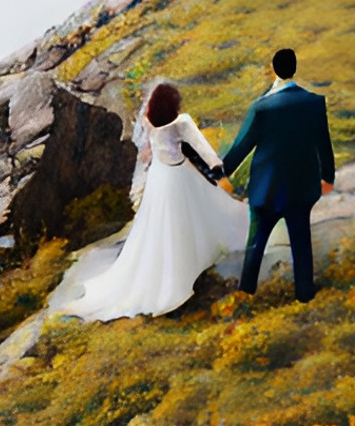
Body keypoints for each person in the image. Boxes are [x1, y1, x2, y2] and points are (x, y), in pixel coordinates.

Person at [68, 81, 248, 321]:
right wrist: (218, 166)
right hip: (178, 174)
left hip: (159, 177)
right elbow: (202, 148)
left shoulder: (149, 122)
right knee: (192, 214)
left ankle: (163, 269)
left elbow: (149, 150)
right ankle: (185, 269)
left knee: (160, 223)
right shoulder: (182, 122)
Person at [218, 46, 335, 304]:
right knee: (301, 242)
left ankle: (246, 292)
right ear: (294, 68)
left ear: (274, 69)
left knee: (256, 244)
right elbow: (323, 143)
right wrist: (328, 178)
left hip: (266, 189)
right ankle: (304, 294)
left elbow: (241, 147)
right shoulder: (314, 103)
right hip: (302, 186)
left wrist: (221, 172)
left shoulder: (262, 107)